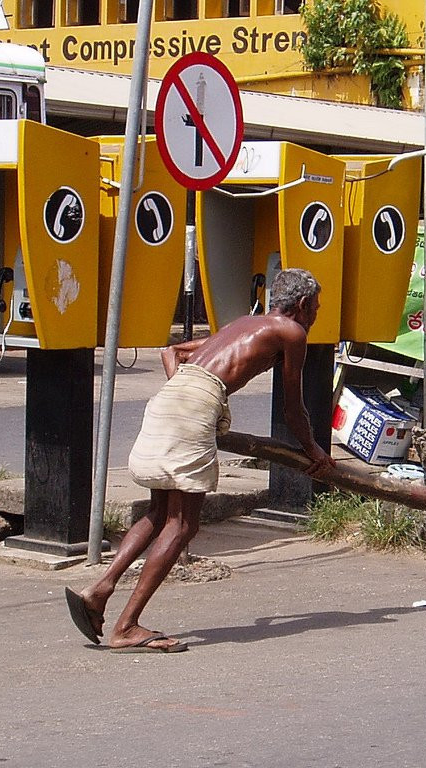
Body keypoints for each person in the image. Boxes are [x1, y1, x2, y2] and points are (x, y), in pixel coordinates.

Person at [65, 268, 336, 652]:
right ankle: (126, 626)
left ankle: (100, 588)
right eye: (317, 307)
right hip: (194, 404)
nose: (317, 315)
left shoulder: (245, 323)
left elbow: (172, 351)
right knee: (182, 524)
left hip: (170, 397)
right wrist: (315, 452)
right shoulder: (293, 333)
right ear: (304, 304)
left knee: (159, 511)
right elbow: (294, 406)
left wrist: (191, 394)